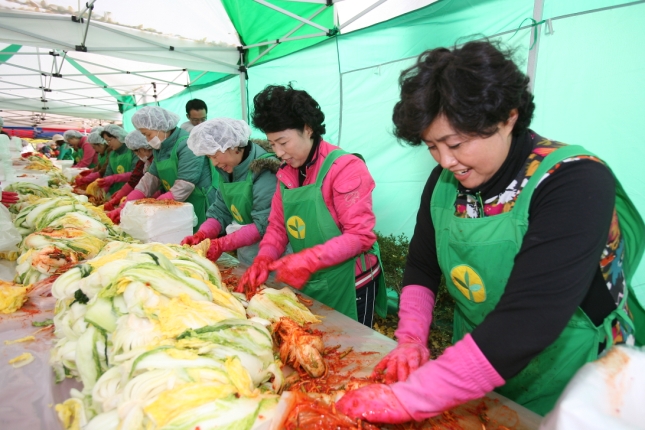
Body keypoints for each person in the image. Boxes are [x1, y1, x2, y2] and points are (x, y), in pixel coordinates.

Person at [335, 41, 645, 422]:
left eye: (457, 143)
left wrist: (408, 398)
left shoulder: (574, 181)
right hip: (476, 365)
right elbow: (423, 265)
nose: (447, 162)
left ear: (508, 117)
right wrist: (412, 338)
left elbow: (530, 317)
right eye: (432, 147)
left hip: (576, 376)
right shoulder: (444, 182)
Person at [236, 84, 387, 326]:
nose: (278, 152)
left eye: (283, 142)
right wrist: (263, 259)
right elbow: (277, 227)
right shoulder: (287, 174)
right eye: (272, 144)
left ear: (308, 129)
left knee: (352, 351)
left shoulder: (345, 168)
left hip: (350, 281)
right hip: (313, 280)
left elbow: (360, 236)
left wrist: (308, 260)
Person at [181, 118, 281, 266]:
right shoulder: (228, 169)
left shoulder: (266, 171)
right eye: (209, 157)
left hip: (273, 257)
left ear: (234, 146)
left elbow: (264, 224)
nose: (214, 163)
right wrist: (203, 234)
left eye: (215, 155)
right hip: (246, 252)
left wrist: (222, 244)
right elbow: (221, 211)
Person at [106, 106, 216, 228]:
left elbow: (185, 185)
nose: (147, 140)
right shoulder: (160, 148)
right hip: (177, 205)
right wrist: (125, 206)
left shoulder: (187, 144)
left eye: (148, 134)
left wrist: (153, 207)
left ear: (160, 127)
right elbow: (149, 181)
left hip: (199, 203)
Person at [103, 130, 155, 211]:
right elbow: (134, 179)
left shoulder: (157, 158)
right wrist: (121, 195)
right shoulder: (143, 161)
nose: (136, 155)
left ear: (144, 148)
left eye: (109, 140)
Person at [95, 125, 137, 198]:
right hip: (115, 193)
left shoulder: (134, 151)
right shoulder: (112, 154)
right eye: (106, 141)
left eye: (109, 140)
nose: (108, 143)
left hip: (132, 194)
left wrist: (114, 178)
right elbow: (108, 174)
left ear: (119, 137)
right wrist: (103, 190)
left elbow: (136, 174)